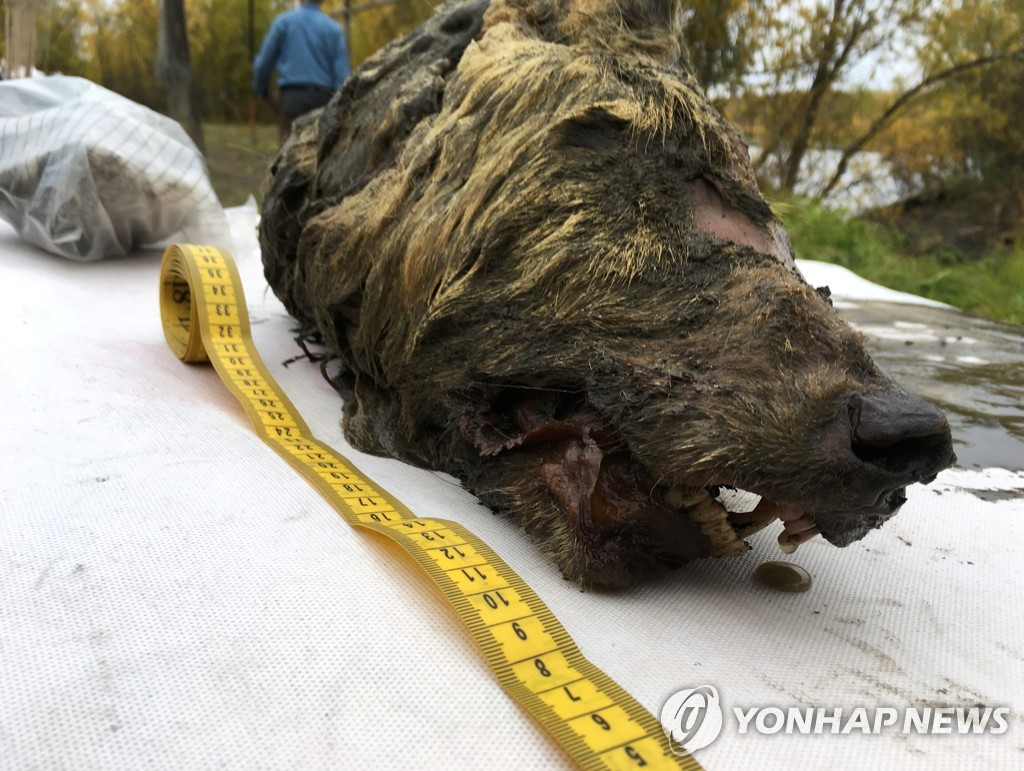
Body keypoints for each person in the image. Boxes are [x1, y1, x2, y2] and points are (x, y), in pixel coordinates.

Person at [253, 0, 350, 142]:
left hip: (292, 101)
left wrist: (263, 91)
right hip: (324, 103)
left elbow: (263, 64)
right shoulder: (334, 29)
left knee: (289, 150)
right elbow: (342, 77)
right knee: (321, 150)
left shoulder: (284, 23)